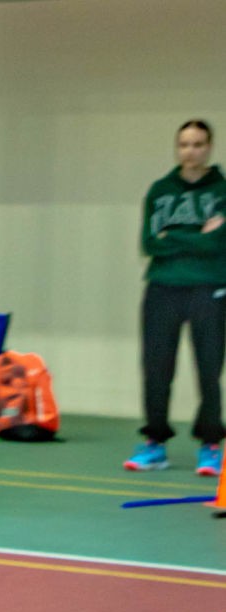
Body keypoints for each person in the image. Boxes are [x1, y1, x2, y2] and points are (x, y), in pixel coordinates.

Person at [129, 118, 225, 477]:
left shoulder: (222, 191)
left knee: (209, 369)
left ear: (209, 148)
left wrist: (174, 237)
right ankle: (154, 443)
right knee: (156, 369)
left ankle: (210, 444)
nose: (190, 151)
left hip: (209, 287)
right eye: (184, 144)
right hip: (162, 288)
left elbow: (219, 243)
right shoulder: (160, 191)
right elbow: (149, 243)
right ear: (177, 148)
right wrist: (199, 236)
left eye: (198, 144)